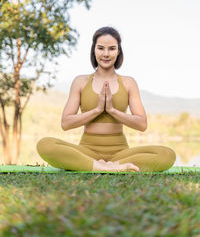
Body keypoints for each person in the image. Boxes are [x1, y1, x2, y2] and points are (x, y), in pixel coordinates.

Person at [36, 26, 176, 172]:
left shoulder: (128, 83)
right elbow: (66, 123)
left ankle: (108, 166)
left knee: (167, 155)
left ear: (118, 51)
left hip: (121, 153)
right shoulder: (80, 81)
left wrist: (111, 110)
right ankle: (107, 167)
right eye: (101, 48)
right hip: (87, 151)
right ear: (94, 50)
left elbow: (142, 124)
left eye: (112, 49)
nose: (106, 54)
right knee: (45, 144)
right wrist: (97, 110)